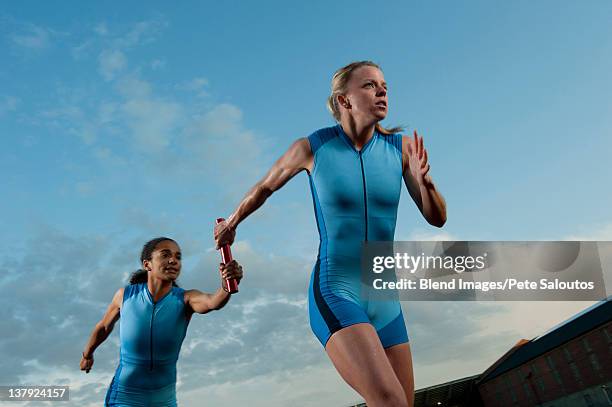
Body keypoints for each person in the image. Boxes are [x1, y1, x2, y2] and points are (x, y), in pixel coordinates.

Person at [214, 61, 446, 407]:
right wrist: (231, 223)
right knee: (390, 401)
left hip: (385, 298)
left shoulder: (401, 150)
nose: (382, 91)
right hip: (337, 289)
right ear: (343, 100)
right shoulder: (312, 147)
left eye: (384, 85)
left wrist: (426, 184)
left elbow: (436, 218)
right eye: (369, 85)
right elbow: (265, 186)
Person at [80, 237, 243, 407]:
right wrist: (87, 355)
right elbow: (104, 327)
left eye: (178, 257)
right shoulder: (125, 296)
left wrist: (226, 285)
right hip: (125, 397)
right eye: (165, 255)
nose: (173, 260)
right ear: (147, 264)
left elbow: (212, 302)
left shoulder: (186, 299)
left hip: (164, 400)